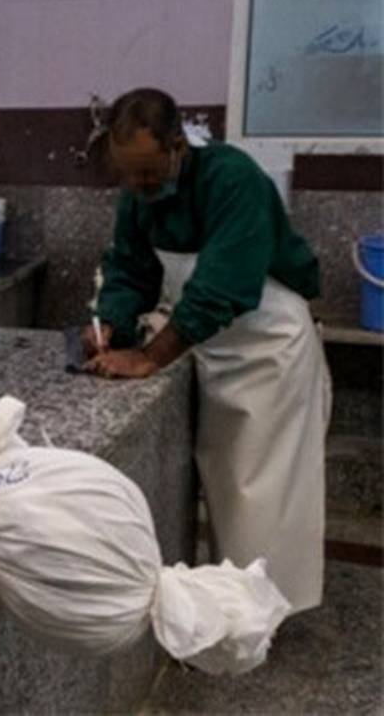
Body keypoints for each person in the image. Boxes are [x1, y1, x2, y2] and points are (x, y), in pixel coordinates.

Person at [82, 87, 331, 614]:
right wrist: (111, 326)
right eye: (128, 175)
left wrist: (150, 357)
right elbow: (129, 268)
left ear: (178, 146)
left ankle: (266, 613)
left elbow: (222, 284)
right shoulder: (139, 198)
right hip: (214, 349)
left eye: (148, 172)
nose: (139, 185)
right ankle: (229, 609)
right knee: (227, 488)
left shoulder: (233, 179)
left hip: (269, 349)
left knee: (263, 499)